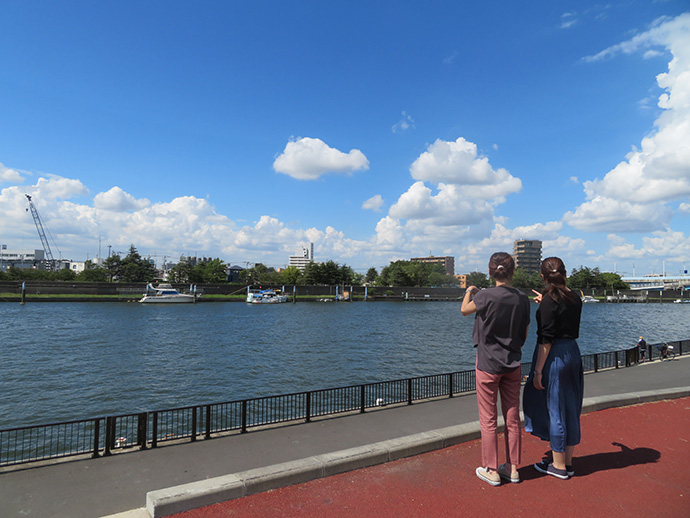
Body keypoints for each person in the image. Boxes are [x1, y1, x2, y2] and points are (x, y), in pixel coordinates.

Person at [461, 252, 530, 486]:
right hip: (513, 362)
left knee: (488, 419)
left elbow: (464, 310)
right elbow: (526, 331)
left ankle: (490, 468)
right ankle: (512, 468)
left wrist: (470, 291)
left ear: (490, 271)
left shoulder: (485, 296)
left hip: (488, 363)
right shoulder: (522, 298)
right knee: (512, 417)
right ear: (512, 272)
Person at [523, 256, 583, 480]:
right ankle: (566, 461)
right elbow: (562, 308)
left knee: (555, 408)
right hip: (573, 353)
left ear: (543, 276)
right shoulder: (575, 297)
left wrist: (538, 371)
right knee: (570, 408)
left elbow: (546, 339)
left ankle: (558, 467)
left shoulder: (550, 301)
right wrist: (545, 302)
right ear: (565, 273)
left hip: (555, 355)